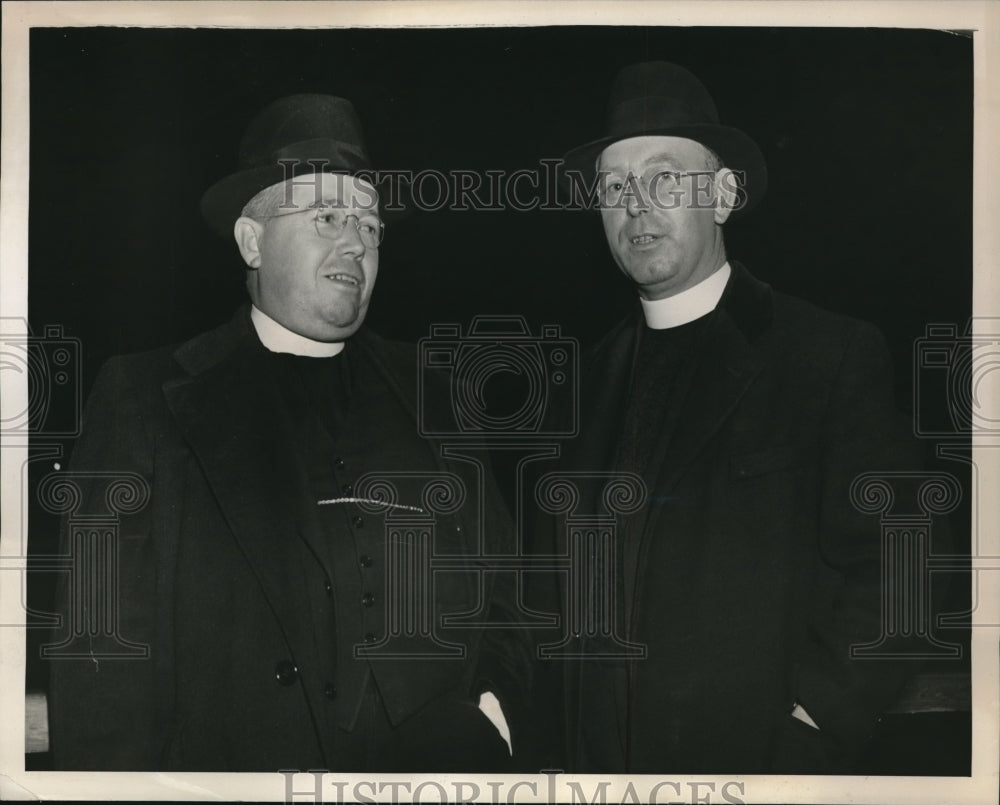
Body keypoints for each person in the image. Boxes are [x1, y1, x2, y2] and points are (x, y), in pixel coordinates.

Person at [47, 94, 527, 772]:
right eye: (328, 215)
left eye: (369, 225)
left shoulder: (440, 398)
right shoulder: (141, 399)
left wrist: (491, 719)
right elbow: (99, 656)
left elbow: (507, 598)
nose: (356, 242)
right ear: (252, 239)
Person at [542, 61, 935, 773]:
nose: (637, 205)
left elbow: (901, 567)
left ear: (722, 196)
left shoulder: (827, 354)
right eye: (614, 187)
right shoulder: (585, 379)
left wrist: (816, 724)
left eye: (665, 178)